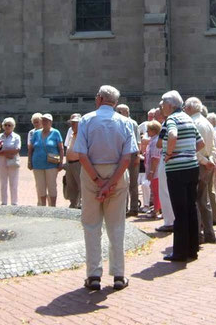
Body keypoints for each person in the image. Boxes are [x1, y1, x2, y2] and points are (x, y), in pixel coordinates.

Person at [72, 85, 138, 291]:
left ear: (99, 98)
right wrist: (110, 183)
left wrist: (99, 182)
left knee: (91, 226)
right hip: (117, 173)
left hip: (92, 172)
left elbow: (81, 154)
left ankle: (93, 276)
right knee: (116, 226)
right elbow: (127, 158)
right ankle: (119, 275)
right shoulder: (125, 122)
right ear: (115, 102)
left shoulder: (86, 120)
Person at [160, 90, 204, 262]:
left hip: (177, 169)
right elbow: (201, 144)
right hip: (192, 167)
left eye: (163, 104)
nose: (162, 107)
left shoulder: (171, 119)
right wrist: (188, 152)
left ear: (170, 105)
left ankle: (179, 252)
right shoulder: (188, 118)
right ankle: (192, 249)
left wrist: (170, 153)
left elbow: (172, 135)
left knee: (180, 211)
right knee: (191, 208)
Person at [184, 97, 216, 244]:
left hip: (198, 164)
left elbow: (192, 147)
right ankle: (209, 233)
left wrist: (204, 161)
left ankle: (198, 234)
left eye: (185, 107)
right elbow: (214, 146)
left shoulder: (193, 123)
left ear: (190, 108)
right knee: (204, 200)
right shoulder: (208, 123)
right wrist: (211, 161)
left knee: (195, 200)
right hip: (208, 163)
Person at [29, 113, 64, 207]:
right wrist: (29, 161)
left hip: (51, 164)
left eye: (46, 120)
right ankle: (43, 206)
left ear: (51, 122)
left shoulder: (56, 132)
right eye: (43, 120)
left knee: (52, 185)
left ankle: (53, 206)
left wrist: (61, 162)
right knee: (40, 186)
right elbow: (31, 148)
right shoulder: (36, 133)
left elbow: (61, 149)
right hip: (37, 163)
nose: (44, 122)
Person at [116, 104, 141, 217]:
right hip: (121, 155)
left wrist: (137, 156)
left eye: (119, 111)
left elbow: (137, 141)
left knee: (133, 183)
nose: (117, 113)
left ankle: (134, 207)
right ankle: (123, 207)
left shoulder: (133, 123)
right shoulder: (118, 122)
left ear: (126, 111)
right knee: (123, 181)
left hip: (132, 154)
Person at [154, 107, 176, 233]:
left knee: (164, 190)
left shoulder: (166, 123)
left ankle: (169, 222)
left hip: (166, 158)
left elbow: (159, 143)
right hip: (180, 159)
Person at [0, 117, 21, 205]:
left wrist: (3, 152)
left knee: (13, 183)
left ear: (13, 126)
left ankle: (14, 202)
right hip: (2, 162)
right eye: (6, 125)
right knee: (3, 183)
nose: (7, 127)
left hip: (12, 162)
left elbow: (17, 149)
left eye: (9, 125)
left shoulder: (16, 137)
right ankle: (3, 202)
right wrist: (6, 153)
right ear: (3, 126)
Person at [63, 113, 83, 208]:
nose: (73, 125)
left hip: (78, 163)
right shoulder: (71, 134)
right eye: (72, 123)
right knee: (71, 186)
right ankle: (73, 204)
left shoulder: (83, 135)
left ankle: (81, 204)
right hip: (70, 163)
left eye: (75, 123)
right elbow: (67, 147)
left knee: (81, 185)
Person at [144, 120, 162, 218]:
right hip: (154, 170)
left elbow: (155, 159)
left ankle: (156, 210)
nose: (147, 132)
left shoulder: (155, 141)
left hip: (156, 171)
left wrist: (151, 171)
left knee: (156, 191)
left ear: (154, 131)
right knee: (155, 191)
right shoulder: (153, 140)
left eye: (148, 130)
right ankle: (156, 208)